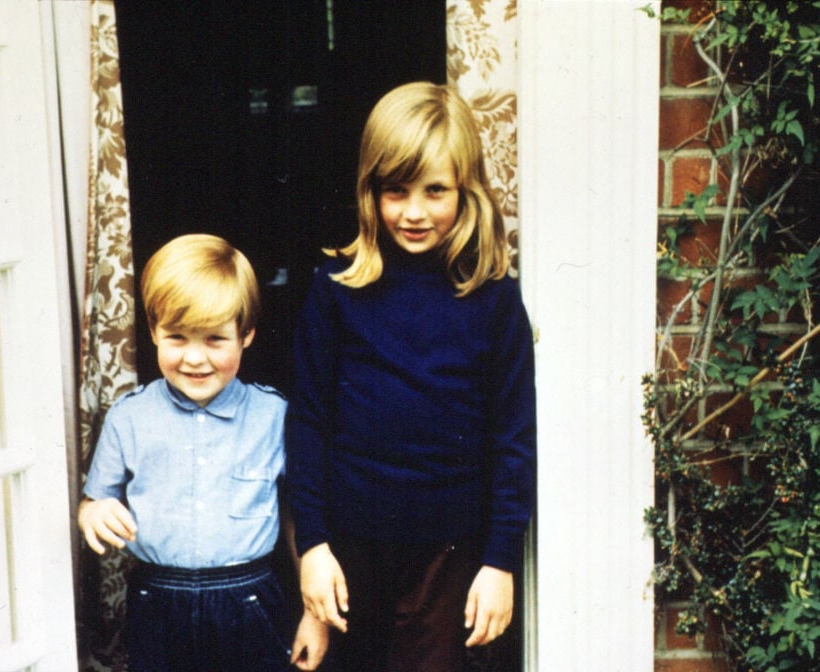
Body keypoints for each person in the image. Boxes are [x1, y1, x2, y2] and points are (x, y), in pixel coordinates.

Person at [286, 82, 537, 672]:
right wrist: (313, 549)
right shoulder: (335, 290)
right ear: (370, 190)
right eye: (395, 192)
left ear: (466, 191)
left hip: (448, 557)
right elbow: (308, 425)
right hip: (351, 551)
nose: (414, 212)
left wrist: (499, 563)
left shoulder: (494, 300)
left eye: (435, 191)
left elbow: (513, 441)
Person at [79, 233, 328, 672]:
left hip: (249, 600)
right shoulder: (128, 418)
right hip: (156, 600)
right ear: (154, 330)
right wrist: (93, 511)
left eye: (215, 339)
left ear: (246, 335)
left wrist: (313, 614)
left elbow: (298, 516)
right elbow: (97, 499)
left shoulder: (274, 416)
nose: (195, 359)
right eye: (177, 337)